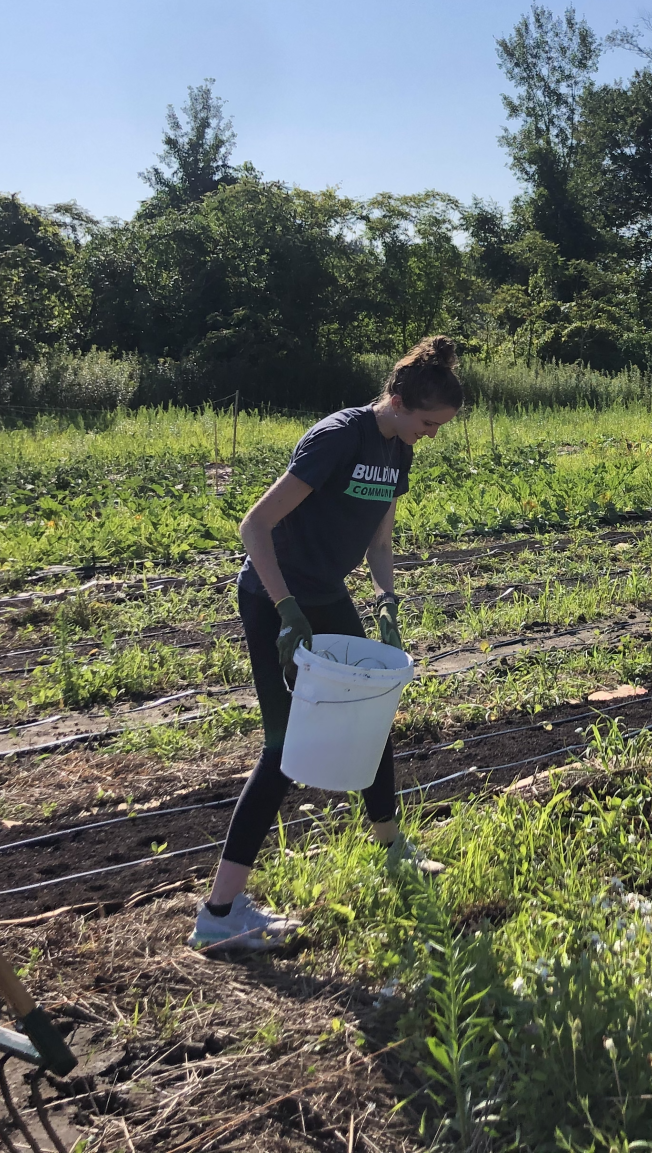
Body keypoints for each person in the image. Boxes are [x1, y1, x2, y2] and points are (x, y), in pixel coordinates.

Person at [190, 336, 465, 952]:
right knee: (284, 747)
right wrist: (286, 609)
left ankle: (392, 849)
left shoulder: (398, 450)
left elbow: (379, 542)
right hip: (274, 596)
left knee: (371, 712)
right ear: (398, 401)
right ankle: (219, 913)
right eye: (428, 423)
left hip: (326, 595)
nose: (431, 435)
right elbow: (255, 525)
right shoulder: (338, 437)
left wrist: (387, 598)